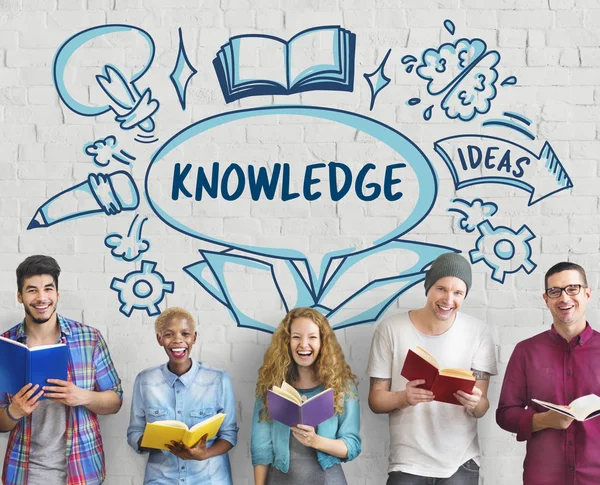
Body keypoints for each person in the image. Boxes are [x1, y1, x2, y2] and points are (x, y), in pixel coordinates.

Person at [367, 252, 497, 484]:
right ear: (427, 287)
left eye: (458, 292)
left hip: (461, 463)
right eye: (441, 289)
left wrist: (476, 403)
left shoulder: (478, 332)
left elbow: (483, 406)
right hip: (407, 463)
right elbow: (375, 401)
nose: (449, 299)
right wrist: (402, 398)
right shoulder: (390, 329)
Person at [0, 255, 123, 485]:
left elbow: (116, 400)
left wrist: (82, 396)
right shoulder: (4, 345)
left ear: (57, 294)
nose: (41, 297)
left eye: (48, 288)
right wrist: (14, 412)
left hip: (82, 471)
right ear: (20, 296)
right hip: (24, 474)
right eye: (32, 290)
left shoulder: (89, 339)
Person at [496, 261, 600, 485]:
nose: (564, 298)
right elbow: (505, 414)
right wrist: (543, 420)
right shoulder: (526, 351)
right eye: (555, 291)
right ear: (546, 299)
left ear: (587, 293)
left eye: (573, 288)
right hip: (543, 477)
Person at [127, 307, 238, 484]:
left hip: (209, 478)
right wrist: (155, 440)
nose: (178, 340)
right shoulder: (145, 381)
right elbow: (134, 432)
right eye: (169, 334)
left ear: (194, 337)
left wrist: (204, 454)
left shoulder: (218, 379)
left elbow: (229, 435)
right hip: (161, 479)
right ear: (159, 339)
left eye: (185, 334)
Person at [251, 307, 361, 485]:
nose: (303, 344)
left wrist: (315, 441)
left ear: (322, 342)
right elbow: (261, 448)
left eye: (312, 337)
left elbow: (352, 445)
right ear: (286, 342)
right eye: (296, 337)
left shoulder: (342, 387)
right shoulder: (270, 387)